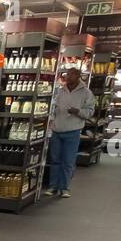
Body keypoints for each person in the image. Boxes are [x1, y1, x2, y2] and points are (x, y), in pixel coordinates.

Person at [46, 66, 95, 198]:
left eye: (71, 75)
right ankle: (53, 186)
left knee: (68, 161)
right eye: (67, 74)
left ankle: (65, 187)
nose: (67, 77)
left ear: (78, 76)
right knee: (55, 160)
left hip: (73, 131)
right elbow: (53, 107)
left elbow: (90, 112)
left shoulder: (86, 93)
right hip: (57, 130)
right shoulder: (60, 91)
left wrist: (78, 111)